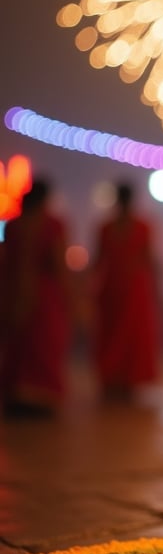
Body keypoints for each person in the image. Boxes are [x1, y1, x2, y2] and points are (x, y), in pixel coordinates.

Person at [0, 178, 72, 415]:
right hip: (43, 296)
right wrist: (71, 298)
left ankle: (18, 395)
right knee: (43, 345)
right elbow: (58, 265)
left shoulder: (13, 226)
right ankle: (42, 398)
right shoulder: (53, 225)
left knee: (20, 346)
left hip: (14, 292)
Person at [92, 181, 161, 400]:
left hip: (116, 287)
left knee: (116, 335)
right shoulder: (141, 226)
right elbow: (148, 260)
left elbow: (98, 260)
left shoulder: (107, 227)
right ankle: (126, 381)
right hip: (132, 288)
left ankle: (115, 380)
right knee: (129, 336)